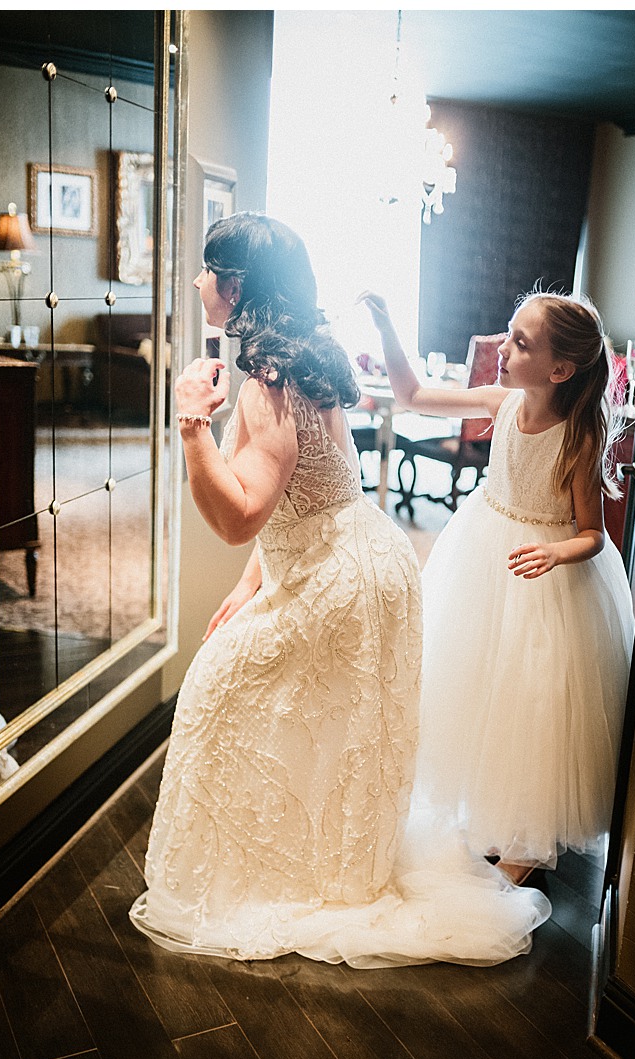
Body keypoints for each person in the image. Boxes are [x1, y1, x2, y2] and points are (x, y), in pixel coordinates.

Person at [130, 213, 549, 968]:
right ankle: (318, 861)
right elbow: (306, 492)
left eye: (205, 270)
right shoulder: (298, 357)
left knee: (215, 689)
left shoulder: (262, 383)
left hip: (342, 576)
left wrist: (190, 421)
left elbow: (241, 513)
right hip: (362, 557)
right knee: (305, 712)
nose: (197, 283)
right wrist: (253, 580)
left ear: (232, 287)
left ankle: (293, 878)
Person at [360, 289, 634, 886]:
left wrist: (556, 551)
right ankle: (480, 810)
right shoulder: (500, 402)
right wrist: (386, 324)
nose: (504, 350)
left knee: (531, 700)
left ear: (560, 370)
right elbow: (410, 396)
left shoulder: (578, 438)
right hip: (482, 550)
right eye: (508, 334)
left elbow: (593, 533)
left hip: (545, 578)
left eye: (520, 343)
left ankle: (526, 836)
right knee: (474, 685)